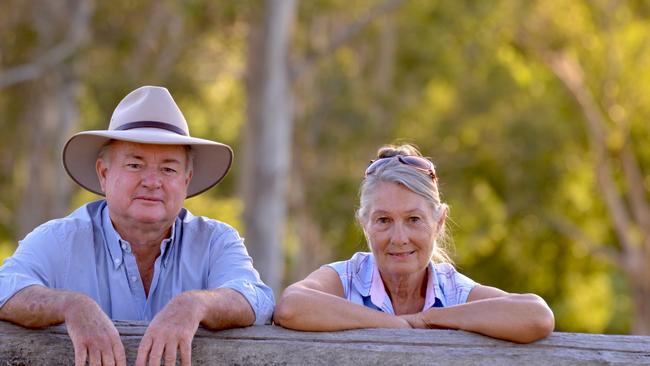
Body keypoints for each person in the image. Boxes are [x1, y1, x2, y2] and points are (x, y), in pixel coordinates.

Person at [0, 86, 274, 365]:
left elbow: (255, 298)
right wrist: (72, 306)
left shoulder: (216, 240)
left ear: (186, 180)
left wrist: (194, 304)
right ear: (104, 174)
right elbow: (5, 287)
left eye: (168, 169)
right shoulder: (59, 240)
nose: (152, 181)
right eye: (135, 165)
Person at [274, 144, 554, 343]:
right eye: (383, 220)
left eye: (413, 219)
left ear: (439, 222)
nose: (399, 238)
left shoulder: (453, 289)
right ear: (365, 224)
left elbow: (536, 316)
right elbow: (291, 306)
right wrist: (399, 325)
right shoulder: (347, 278)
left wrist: (431, 318)